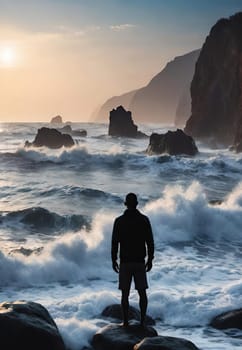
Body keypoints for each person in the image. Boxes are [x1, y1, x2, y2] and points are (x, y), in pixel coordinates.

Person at [111, 192, 154, 327]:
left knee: (125, 294)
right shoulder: (144, 220)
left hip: (125, 262)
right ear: (136, 204)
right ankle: (142, 322)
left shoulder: (119, 221)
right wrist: (150, 259)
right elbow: (150, 242)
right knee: (142, 292)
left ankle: (125, 322)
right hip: (139, 261)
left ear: (125, 204)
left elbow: (114, 243)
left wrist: (113, 259)